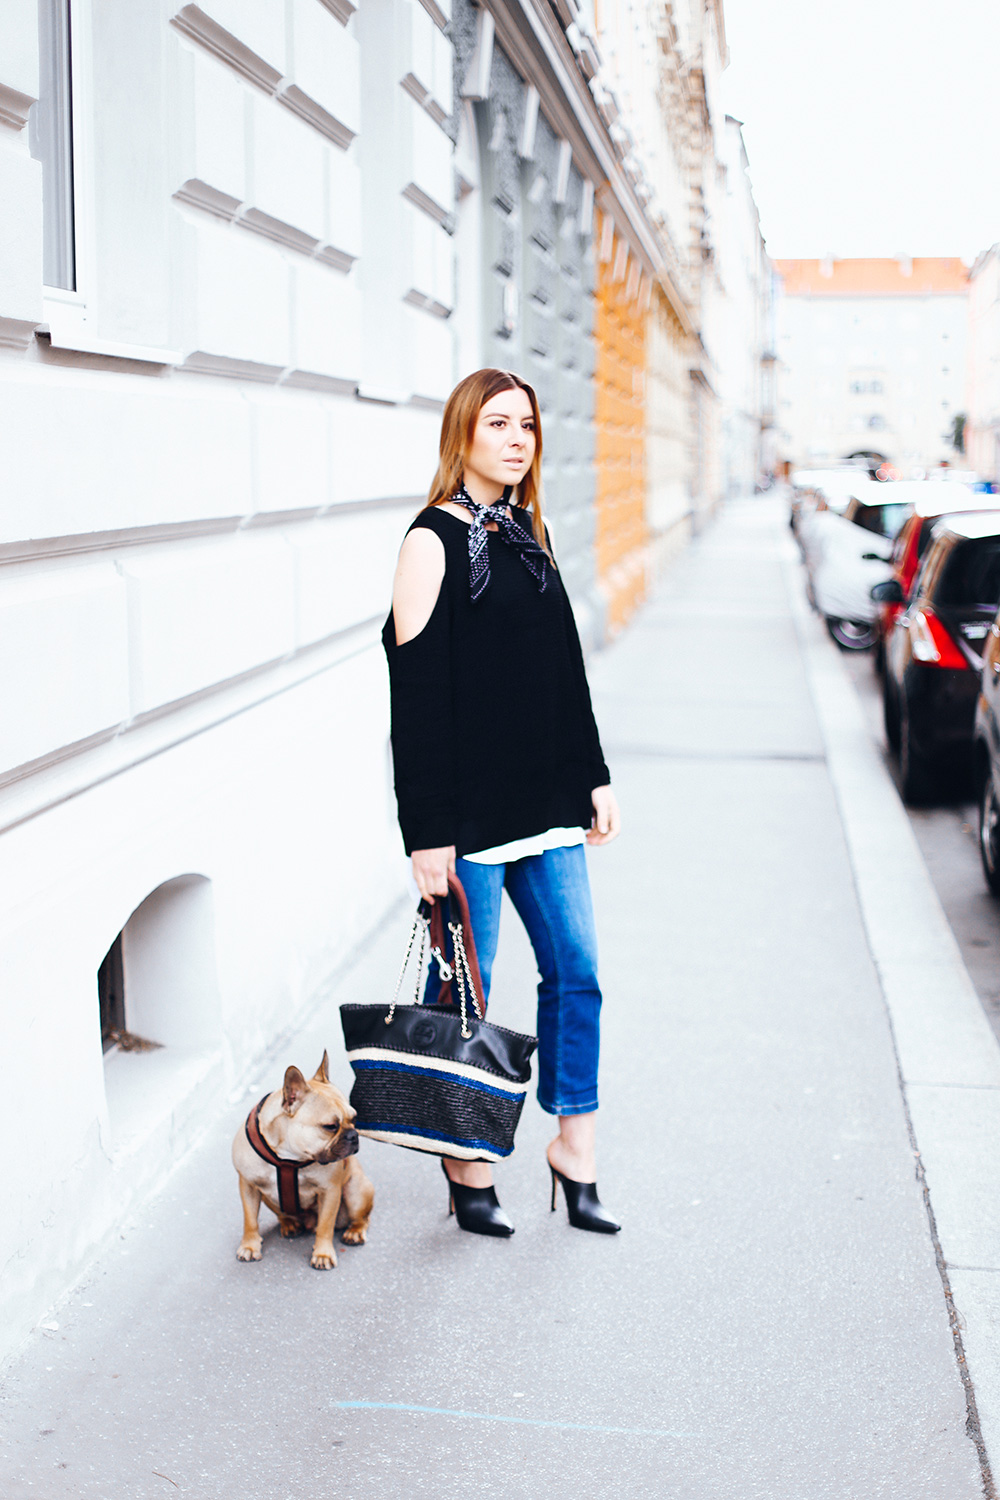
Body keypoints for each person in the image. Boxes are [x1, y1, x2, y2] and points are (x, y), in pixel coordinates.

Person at [382, 367, 621, 1237]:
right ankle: (470, 1161)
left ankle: (575, 1148)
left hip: (549, 805)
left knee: (578, 972)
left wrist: (593, 776)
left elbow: (566, 673)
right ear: (464, 436)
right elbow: (417, 699)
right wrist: (427, 833)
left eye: (527, 425)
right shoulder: (431, 541)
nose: (518, 440)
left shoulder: (528, 534)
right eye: (498, 424)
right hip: (473, 821)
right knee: (470, 1002)